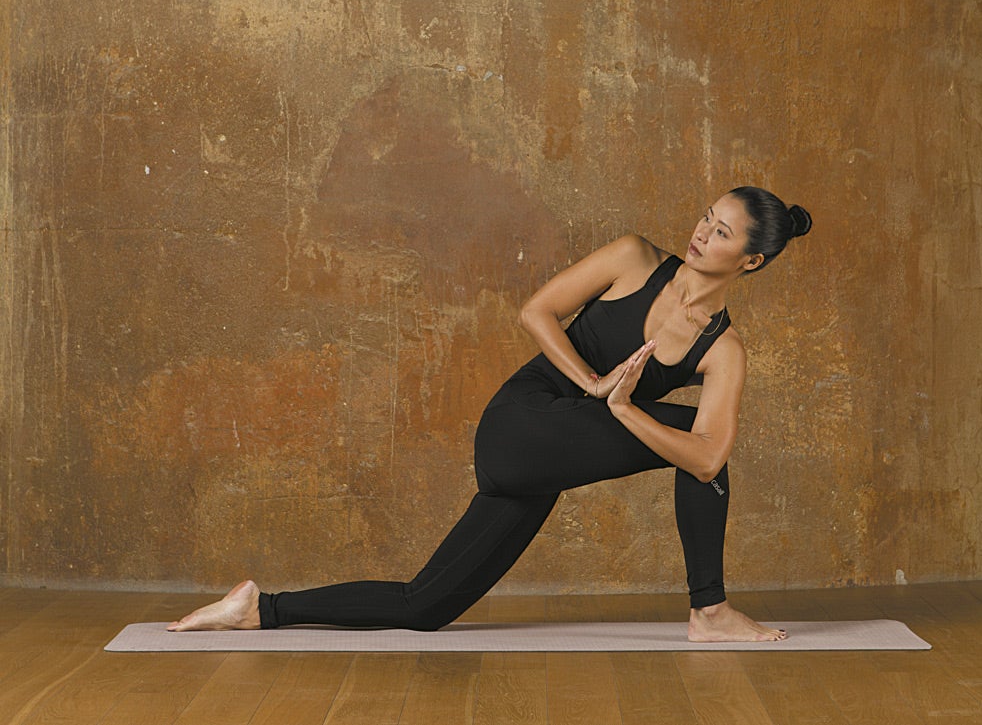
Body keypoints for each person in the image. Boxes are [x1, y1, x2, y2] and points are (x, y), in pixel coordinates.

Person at [168, 186, 811, 642]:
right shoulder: (634, 258)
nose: (701, 233)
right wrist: (594, 384)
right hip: (522, 423)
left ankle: (260, 609)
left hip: (555, 457)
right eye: (706, 217)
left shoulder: (724, 351)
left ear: (751, 260)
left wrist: (622, 407)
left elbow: (709, 457)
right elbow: (537, 311)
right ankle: (711, 609)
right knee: (688, 438)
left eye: (722, 232)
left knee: (428, 606)